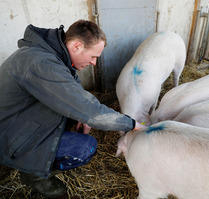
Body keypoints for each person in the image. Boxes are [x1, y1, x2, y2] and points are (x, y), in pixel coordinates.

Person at [0, 20, 144, 198]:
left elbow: (75, 92)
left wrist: (81, 115)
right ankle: (33, 174)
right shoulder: (41, 64)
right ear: (77, 47)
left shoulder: (53, 55)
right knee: (85, 148)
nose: (93, 63)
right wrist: (130, 124)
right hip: (10, 137)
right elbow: (92, 113)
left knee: (75, 118)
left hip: (24, 118)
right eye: (93, 57)